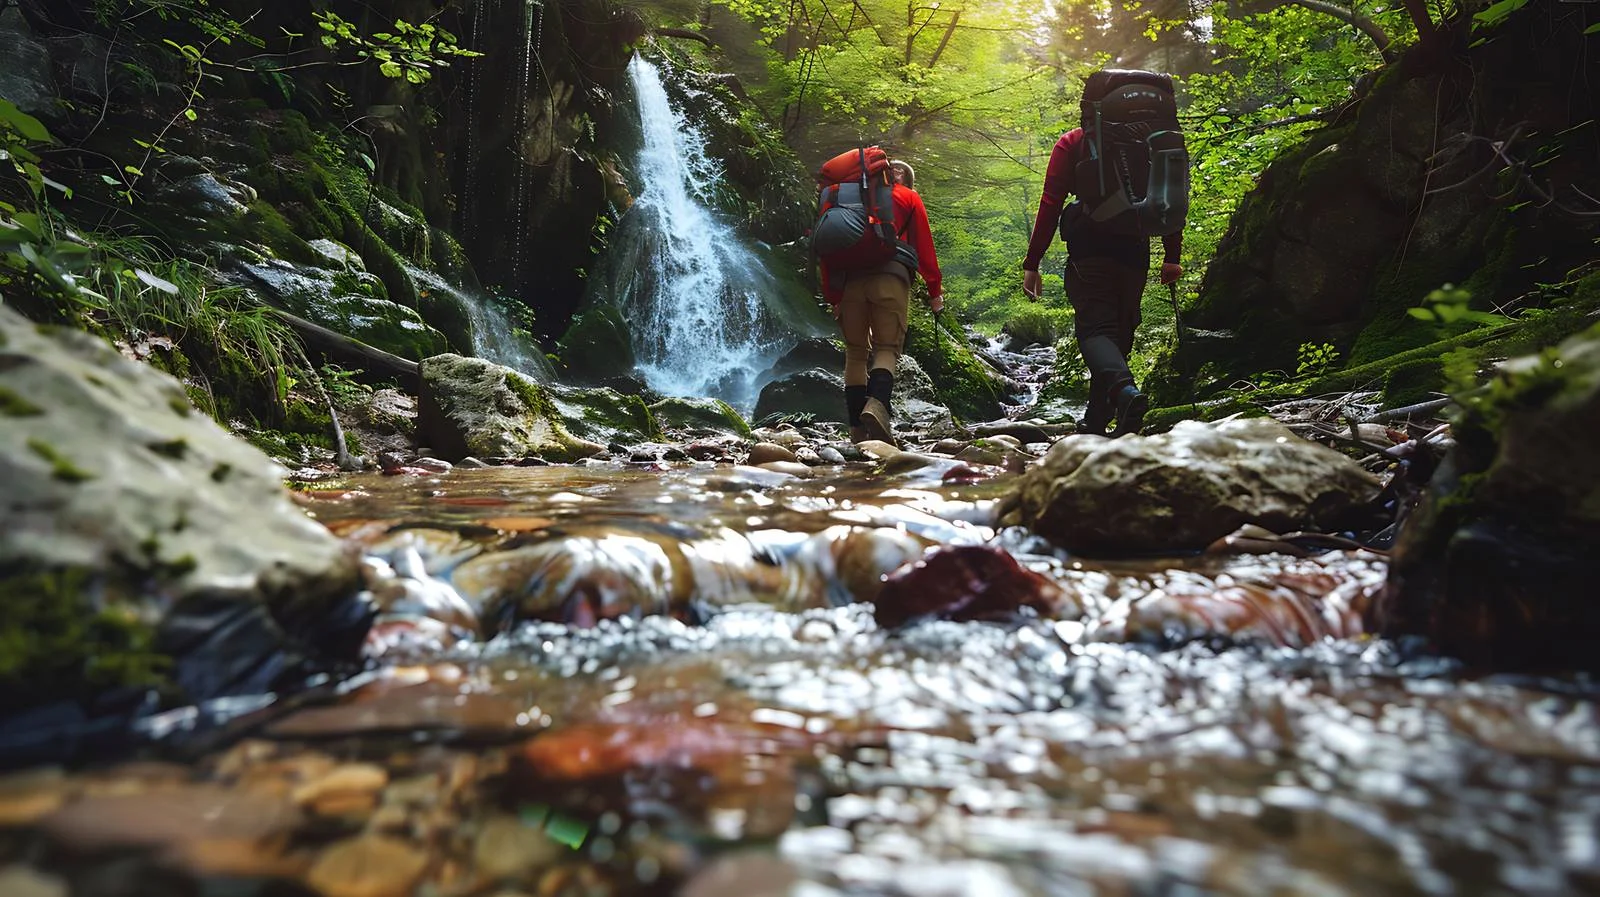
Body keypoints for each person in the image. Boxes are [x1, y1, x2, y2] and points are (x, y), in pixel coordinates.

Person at [1022, 132, 1183, 437]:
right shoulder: (1151, 141)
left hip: (1089, 243)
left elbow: (1051, 201)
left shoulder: (1072, 142)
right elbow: (1169, 196)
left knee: (1096, 331)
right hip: (1135, 247)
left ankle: (1125, 393)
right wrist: (1172, 255)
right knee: (1120, 332)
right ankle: (1098, 419)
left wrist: (1033, 262)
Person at [820, 158, 944, 445]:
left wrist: (833, 296)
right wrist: (935, 292)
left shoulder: (843, 197)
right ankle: (877, 408)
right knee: (886, 348)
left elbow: (825, 249)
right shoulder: (908, 197)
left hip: (849, 283)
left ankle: (855, 432)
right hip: (891, 278)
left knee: (855, 352)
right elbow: (924, 247)